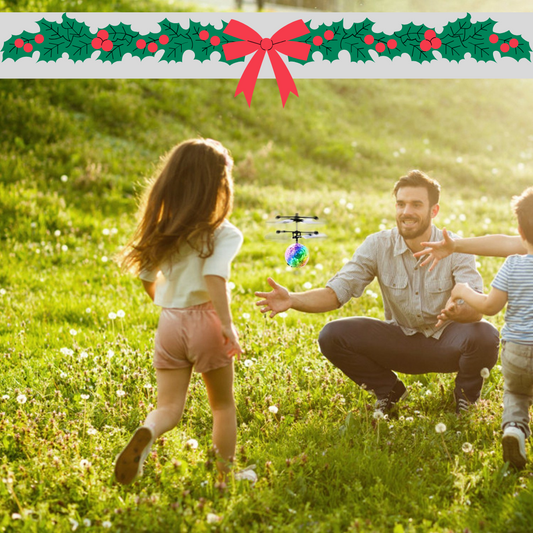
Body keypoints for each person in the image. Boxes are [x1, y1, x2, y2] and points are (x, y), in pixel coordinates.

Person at [256, 170, 499, 415]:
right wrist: (292, 299)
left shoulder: (456, 247)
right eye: (401, 204)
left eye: (416, 204)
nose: (406, 212)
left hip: (447, 343)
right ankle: (389, 390)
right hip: (400, 342)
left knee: (486, 335)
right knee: (332, 335)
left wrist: (459, 311)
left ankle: (466, 399)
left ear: (433, 211)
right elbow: (336, 293)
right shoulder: (377, 245)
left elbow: (476, 311)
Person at [114, 138, 243, 485]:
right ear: (218, 185)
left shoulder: (164, 228)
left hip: (169, 322)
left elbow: (145, 276)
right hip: (205, 320)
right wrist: (227, 326)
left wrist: (166, 301)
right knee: (222, 406)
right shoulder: (223, 233)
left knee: (168, 407)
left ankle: (148, 429)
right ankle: (224, 477)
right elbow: (214, 277)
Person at [424, 187, 533, 469]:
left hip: (517, 353)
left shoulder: (513, 265)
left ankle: (513, 430)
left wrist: (462, 289)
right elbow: (503, 242)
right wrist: (455, 247)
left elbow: (489, 307)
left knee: (517, 394)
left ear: (521, 230)